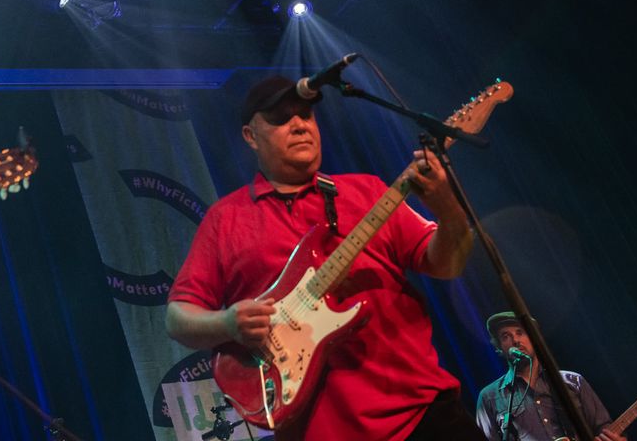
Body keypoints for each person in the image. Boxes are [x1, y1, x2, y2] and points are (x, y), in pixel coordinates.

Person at [166, 74, 482, 441]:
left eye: (305, 115)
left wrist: (448, 210)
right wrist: (228, 323)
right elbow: (177, 318)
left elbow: (446, 265)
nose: (299, 125)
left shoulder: (367, 191)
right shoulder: (225, 219)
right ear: (250, 136)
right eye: (281, 118)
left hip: (422, 412)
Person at [475, 311, 624, 441]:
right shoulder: (489, 397)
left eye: (520, 332)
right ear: (499, 347)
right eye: (506, 336)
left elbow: (604, 428)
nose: (516, 340)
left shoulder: (573, 381)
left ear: (534, 339)